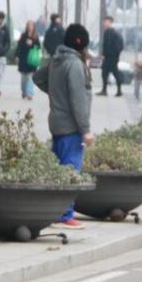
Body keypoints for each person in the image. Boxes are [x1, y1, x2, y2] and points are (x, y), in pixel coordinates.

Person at [33, 24, 92, 231]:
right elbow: (78, 101)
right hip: (71, 126)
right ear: (80, 44)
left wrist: (55, 93)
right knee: (70, 170)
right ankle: (65, 215)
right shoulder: (74, 65)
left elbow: (37, 78)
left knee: (59, 168)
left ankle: (57, 212)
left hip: (56, 122)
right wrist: (85, 129)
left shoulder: (56, 60)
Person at [97, 15, 125, 97]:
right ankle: (108, 90)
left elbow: (111, 46)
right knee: (106, 73)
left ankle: (114, 90)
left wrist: (109, 54)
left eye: (105, 22)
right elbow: (106, 45)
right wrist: (104, 54)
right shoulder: (110, 32)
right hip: (110, 57)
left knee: (112, 73)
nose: (104, 23)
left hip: (111, 58)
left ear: (110, 22)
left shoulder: (112, 33)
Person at [15, 20, 41, 100]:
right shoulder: (23, 35)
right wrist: (17, 56)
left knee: (31, 77)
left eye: (31, 25)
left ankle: (30, 93)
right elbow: (19, 46)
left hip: (32, 60)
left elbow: (39, 47)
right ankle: (24, 92)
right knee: (24, 78)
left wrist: (32, 44)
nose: (30, 27)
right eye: (29, 25)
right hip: (23, 59)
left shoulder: (36, 36)